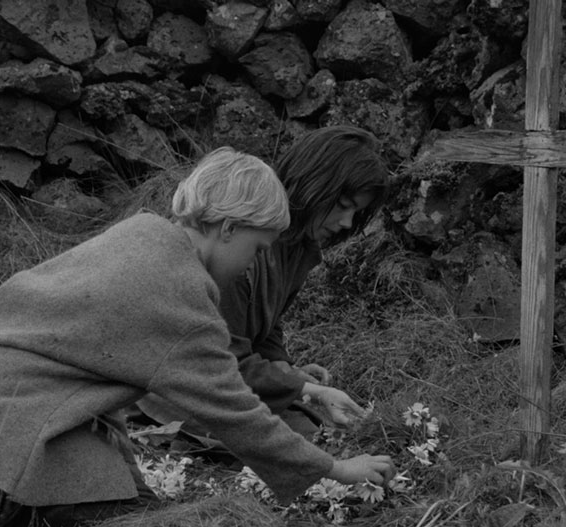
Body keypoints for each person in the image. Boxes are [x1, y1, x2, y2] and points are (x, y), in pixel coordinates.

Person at [0, 147, 396, 527]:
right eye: (254, 247)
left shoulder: (145, 234)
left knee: (118, 481)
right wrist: (335, 469)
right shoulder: (181, 301)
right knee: (115, 512)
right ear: (227, 228)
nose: (251, 265)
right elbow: (235, 413)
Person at [137, 126, 389, 442]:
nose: (347, 223)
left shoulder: (299, 247)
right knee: (305, 441)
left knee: (319, 428)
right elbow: (223, 361)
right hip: (179, 391)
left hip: (228, 379)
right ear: (314, 182)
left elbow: (266, 325)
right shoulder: (237, 255)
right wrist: (305, 389)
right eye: (342, 204)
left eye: (357, 212)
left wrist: (286, 370)